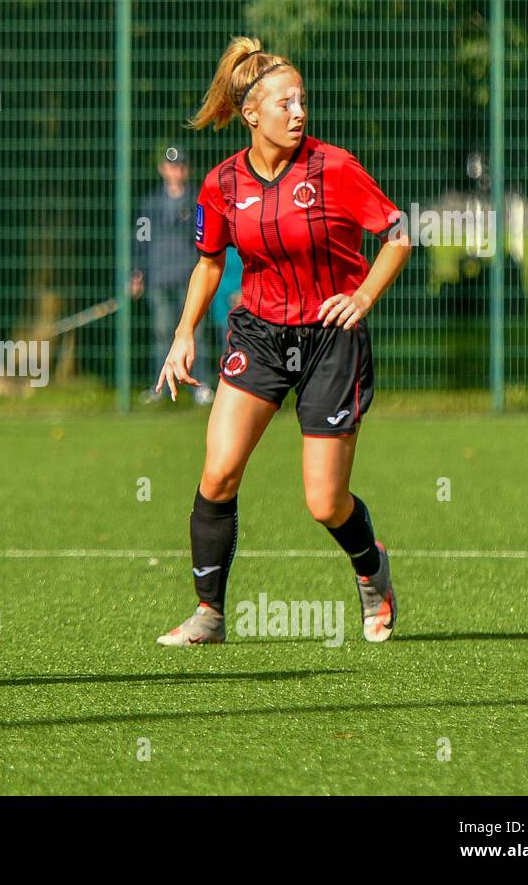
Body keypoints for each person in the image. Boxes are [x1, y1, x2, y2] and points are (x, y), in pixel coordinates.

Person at [154, 36, 411, 647]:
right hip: (259, 334)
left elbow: (399, 232)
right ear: (251, 114)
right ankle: (209, 616)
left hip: (331, 337)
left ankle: (372, 571)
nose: (299, 112)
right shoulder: (221, 184)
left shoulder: (334, 168)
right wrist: (183, 333)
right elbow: (210, 263)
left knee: (325, 502)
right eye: (284, 103)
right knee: (217, 476)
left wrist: (364, 297)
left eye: (302, 101)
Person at [133, 147, 215, 406]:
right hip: (158, 277)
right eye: (171, 166)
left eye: (180, 166)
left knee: (195, 333)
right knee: (161, 333)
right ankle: (160, 387)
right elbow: (140, 240)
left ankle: (200, 385)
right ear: (162, 169)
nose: (175, 171)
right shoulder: (150, 204)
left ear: (186, 169)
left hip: (190, 278)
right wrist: (136, 272)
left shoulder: (196, 201)